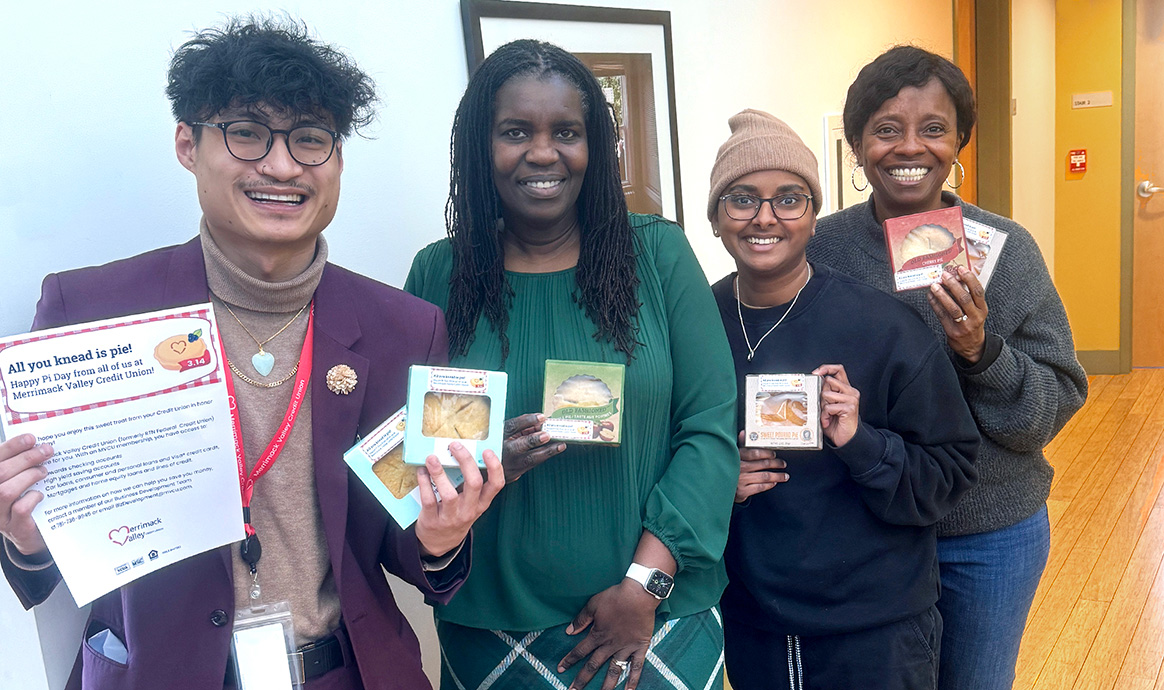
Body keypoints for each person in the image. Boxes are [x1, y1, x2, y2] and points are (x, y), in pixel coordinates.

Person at [0, 17, 503, 690]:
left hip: (338, 675)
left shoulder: (405, 328)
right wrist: (26, 532)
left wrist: (442, 535)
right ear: (187, 143)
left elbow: (406, 548)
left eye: (311, 140)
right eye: (246, 133)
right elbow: (62, 549)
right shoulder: (88, 311)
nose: (283, 165)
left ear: (339, 160)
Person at [404, 40, 738, 690]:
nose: (542, 151)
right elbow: (407, 454)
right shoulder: (437, 273)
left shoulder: (659, 255)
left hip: (656, 620)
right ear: (481, 145)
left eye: (567, 131)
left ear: (597, 147)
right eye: (515, 131)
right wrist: (479, 460)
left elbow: (708, 430)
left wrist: (643, 587)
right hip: (489, 628)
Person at [808, 46, 1089, 690]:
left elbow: (1056, 402)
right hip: (863, 527)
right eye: (886, 129)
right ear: (855, 144)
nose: (911, 148)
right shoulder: (821, 250)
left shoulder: (1006, 250)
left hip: (985, 532)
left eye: (934, 128)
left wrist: (981, 352)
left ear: (960, 139)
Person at [708, 109, 979, 689]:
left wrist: (862, 442)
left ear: (813, 216)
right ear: (715, 218)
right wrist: (715, 481)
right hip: (752, 623)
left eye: (789, 198)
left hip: (876, 629)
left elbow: (950, 473)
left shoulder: (884, 328)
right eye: (740, 199)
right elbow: (660, 460)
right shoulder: (696, 328)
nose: (764, 218)